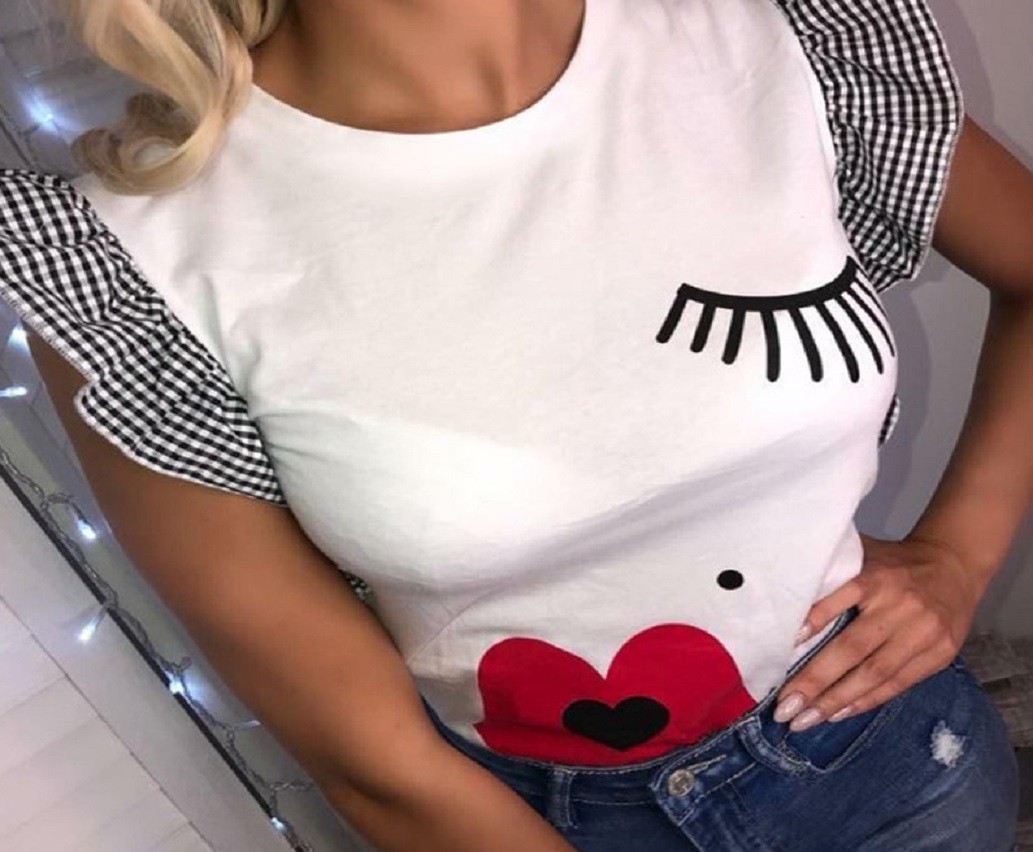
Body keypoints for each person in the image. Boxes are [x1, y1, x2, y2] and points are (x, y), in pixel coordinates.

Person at [0, 0, 1028, 848]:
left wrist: (955, 558)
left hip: (901, 762)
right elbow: (376, 765)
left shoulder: (775, 38)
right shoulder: (141, 258)